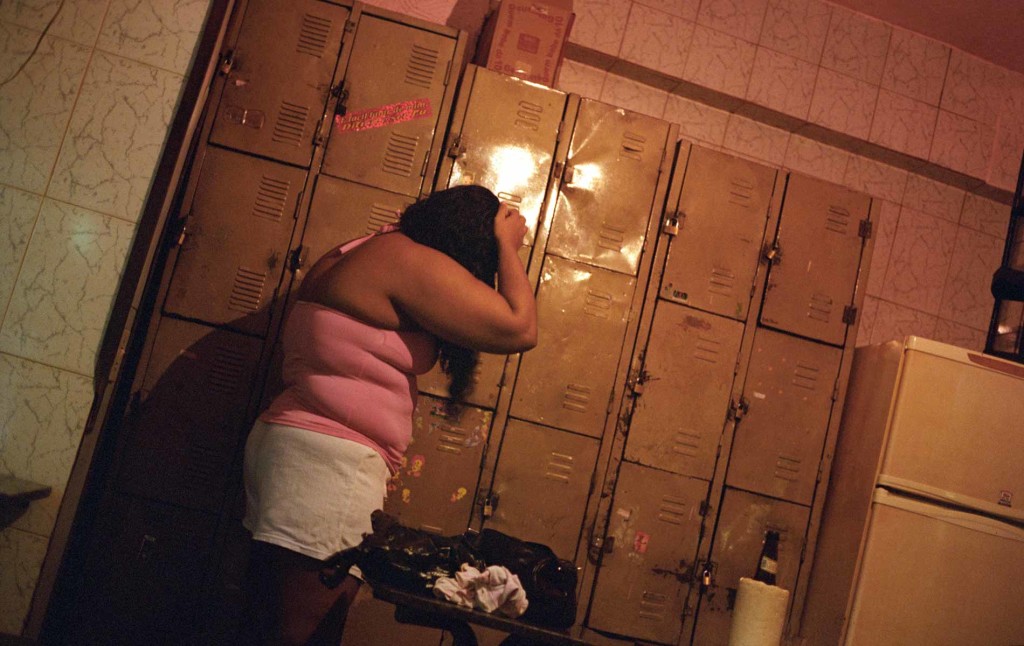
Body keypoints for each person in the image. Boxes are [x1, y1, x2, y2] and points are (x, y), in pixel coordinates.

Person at [241, 185, 537, 645]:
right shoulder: (405, 260)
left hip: (296, 450)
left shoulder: (366, 247)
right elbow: (520, 328)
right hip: (328, 470)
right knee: (309, 634)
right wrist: (507, 247)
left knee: (268, 626)